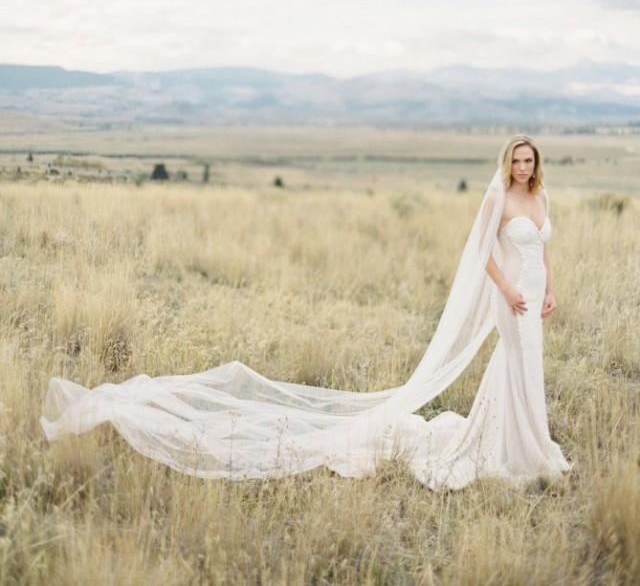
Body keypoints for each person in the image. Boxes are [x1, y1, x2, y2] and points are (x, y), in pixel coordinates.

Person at [41, 134, 572, 489]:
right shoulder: (498, 200)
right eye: (517, 160)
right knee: (515, 363)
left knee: (528, 368)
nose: (523, 167)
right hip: (511, 299)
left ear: (536, 165)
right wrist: (508, 292)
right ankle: (519, 450)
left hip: (534, 295)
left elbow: (542, 250)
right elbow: (482, 257)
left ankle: (526, 443)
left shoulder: (541, 199)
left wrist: (548, 290)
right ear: (508, 163)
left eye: (529, 161)